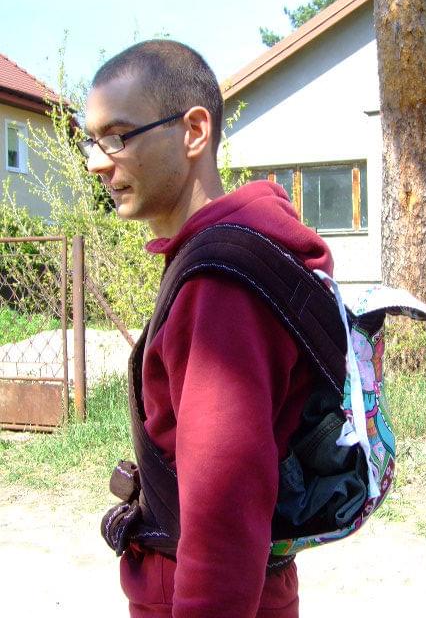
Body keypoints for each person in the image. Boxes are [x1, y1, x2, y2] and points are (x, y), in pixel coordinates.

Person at [81, 39, 335, 618]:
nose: (98, 162)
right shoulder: (230, 253)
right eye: (92, 140)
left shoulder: (221, 284)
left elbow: (225, 505)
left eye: (118, 136)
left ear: (194, 131)